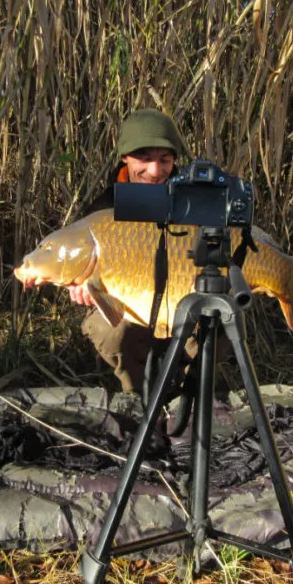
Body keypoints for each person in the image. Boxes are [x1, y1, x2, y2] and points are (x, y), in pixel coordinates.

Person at [70, 109, 201, 395]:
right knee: (111, 330)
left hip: (184, 300)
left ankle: (191, 395)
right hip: (131, 306)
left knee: (221, 317)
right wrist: (81, 288)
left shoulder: (195, 200)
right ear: (125, 157)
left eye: (164, 160)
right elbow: (78, 266)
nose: (155, 171)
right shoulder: (104, 209)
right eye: (144, 159)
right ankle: (141, 396)